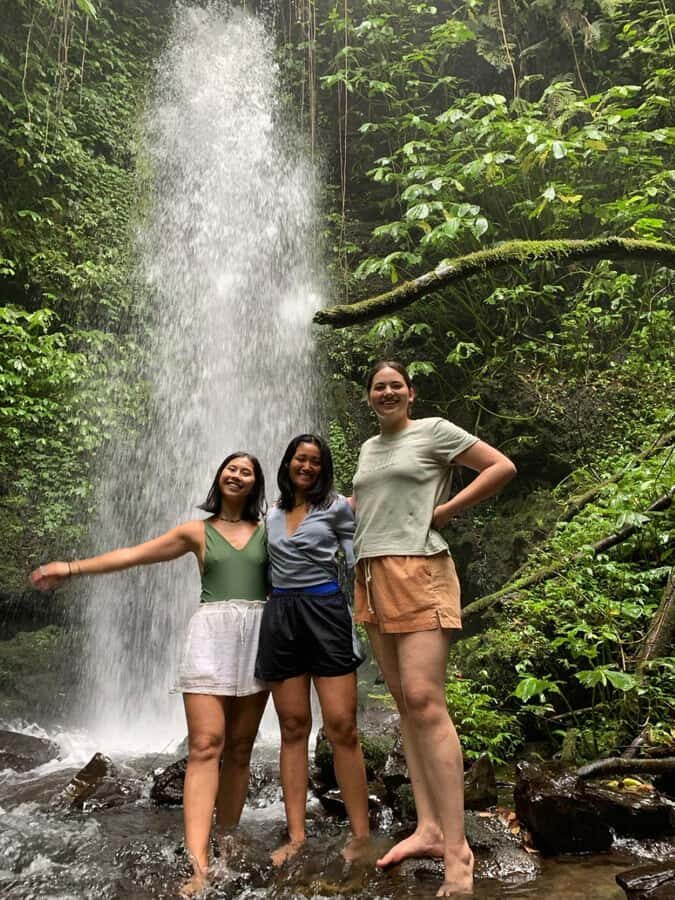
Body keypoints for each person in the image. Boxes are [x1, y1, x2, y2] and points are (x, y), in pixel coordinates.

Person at [30, 452, 270, 898]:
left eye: (247, 471)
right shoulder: (195, 531)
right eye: (231, 469)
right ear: (219, 476)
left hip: (259, 638)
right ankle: (199, 863)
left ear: (256, 483)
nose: (237, 475)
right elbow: (134, 555)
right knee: (205, 745)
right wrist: (70, 568)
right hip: (211, 638)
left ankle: (228, 837)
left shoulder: (268, 530)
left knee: (239, 748)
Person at [352, 361, 517, 898]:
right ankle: (426, 829)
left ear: (410, 392)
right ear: (369, 398)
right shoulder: (368, 449)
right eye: (378, 387)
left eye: (395, 385)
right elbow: (371, 504)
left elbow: (500, 467)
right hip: (371, 574)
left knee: (425, 700)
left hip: (420, 568)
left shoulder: (434, 431)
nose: (387, 392)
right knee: (404, 706)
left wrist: (446, 510)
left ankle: (457, 850)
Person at [255, 433, 370, 866]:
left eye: (315, 461)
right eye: (300, 459)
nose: (307, 467)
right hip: (281, 614)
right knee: (293, 727)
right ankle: (297, 835)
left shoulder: (336, 506)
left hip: (325, 612)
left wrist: (361, 608)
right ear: (287, 464)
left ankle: (360, 835)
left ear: (324, 469)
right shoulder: (271, 512)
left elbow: (357, 556)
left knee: (343, 727)